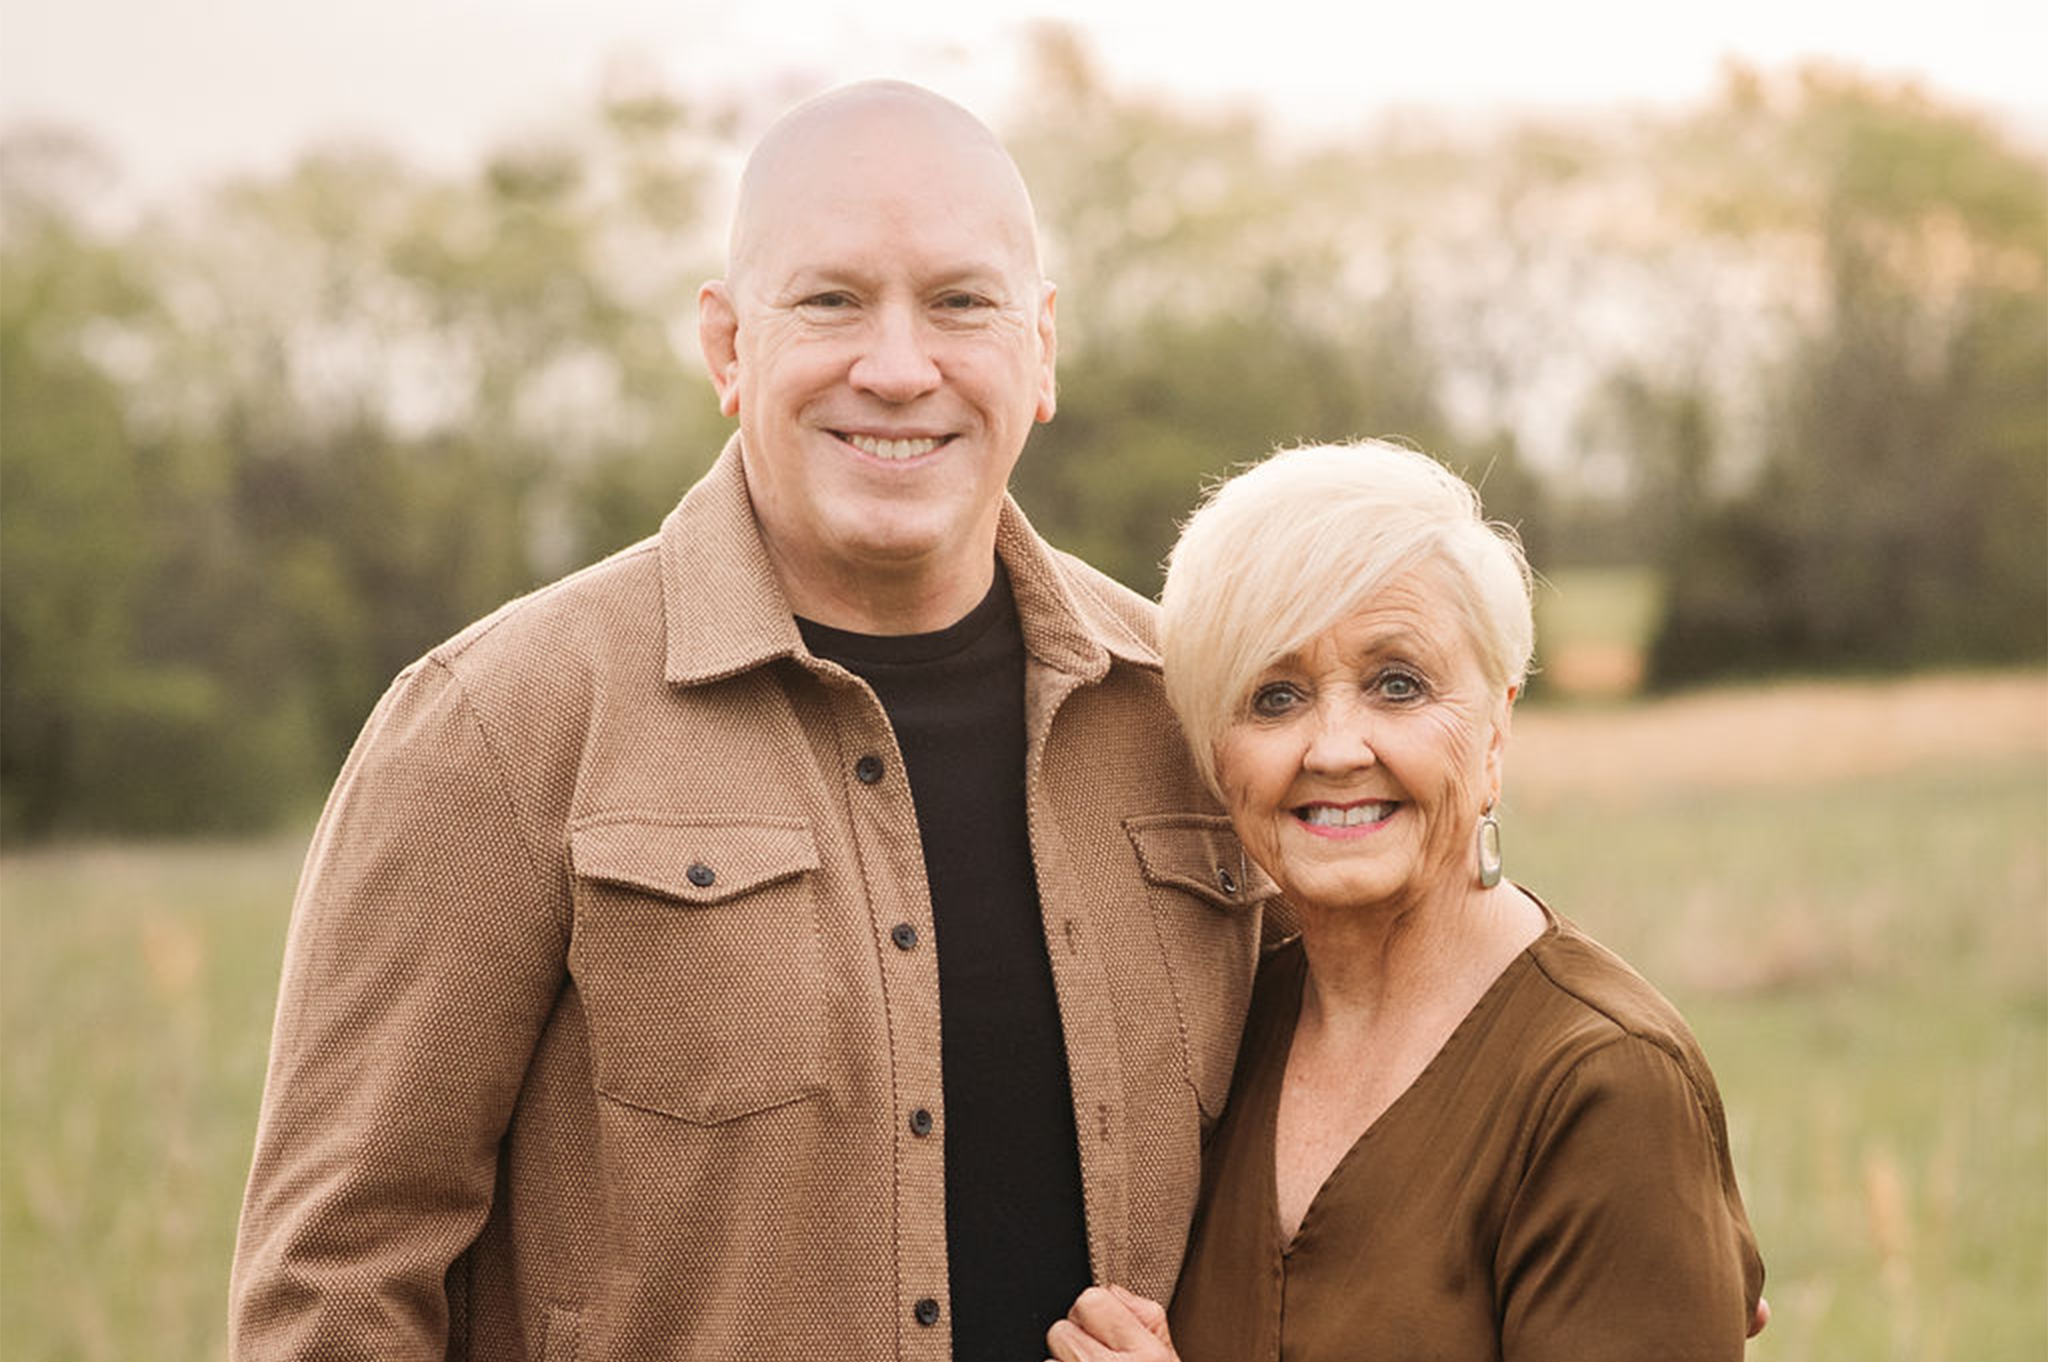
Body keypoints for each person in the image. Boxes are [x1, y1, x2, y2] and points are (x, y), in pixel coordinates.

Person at [229, 81, 1277, 1360]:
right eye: (830, 301)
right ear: (727, 347)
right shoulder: (496, 728)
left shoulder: (1193, 711)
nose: (897, 369)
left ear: (1040, 347)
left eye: (959, 302)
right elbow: (333, 1289)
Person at [1045, 441, 1766, 1362]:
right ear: (1213, 758)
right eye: (1273, 697)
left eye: (1398, 684)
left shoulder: (1607, 1086)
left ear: (1498, 724)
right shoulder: (1225, 1023)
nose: (1336, 747)